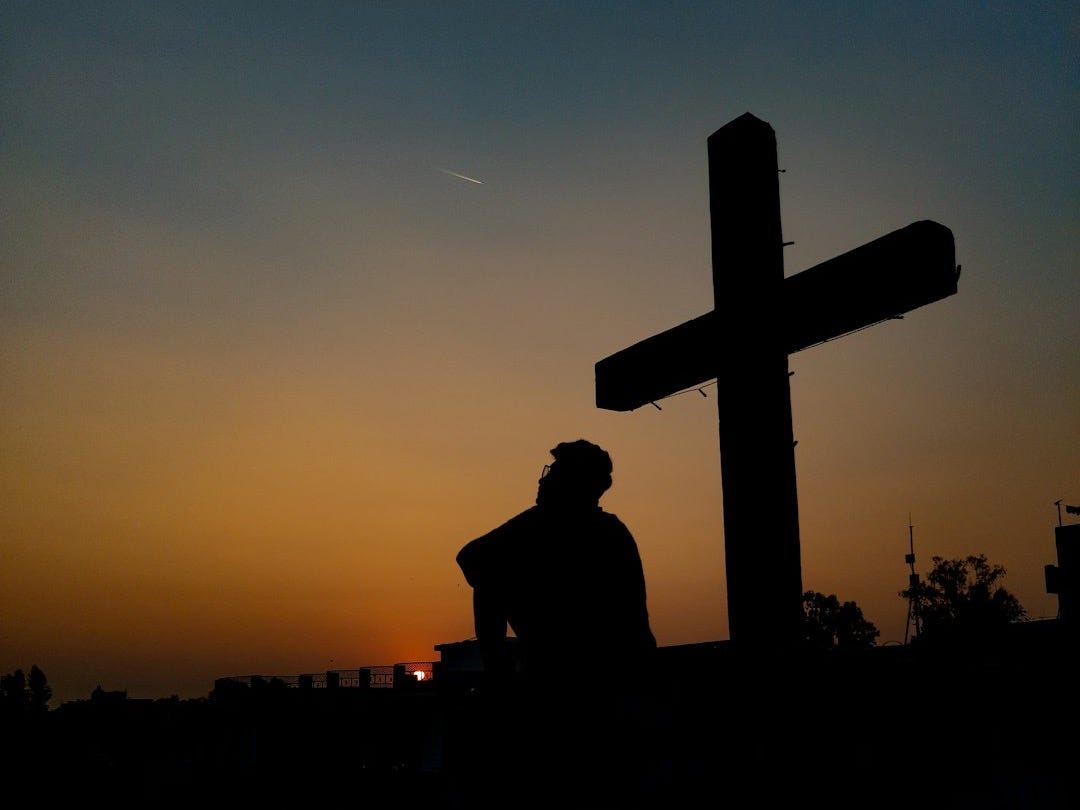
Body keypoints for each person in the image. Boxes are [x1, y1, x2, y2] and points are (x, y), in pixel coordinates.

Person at [454, 439, 658, 807]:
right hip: (594, 687)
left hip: (587, 690)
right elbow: (471, 558)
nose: (544, 480)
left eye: (556, 472)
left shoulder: (582, 532)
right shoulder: (604, 532)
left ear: (574, 483)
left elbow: (472, 557)